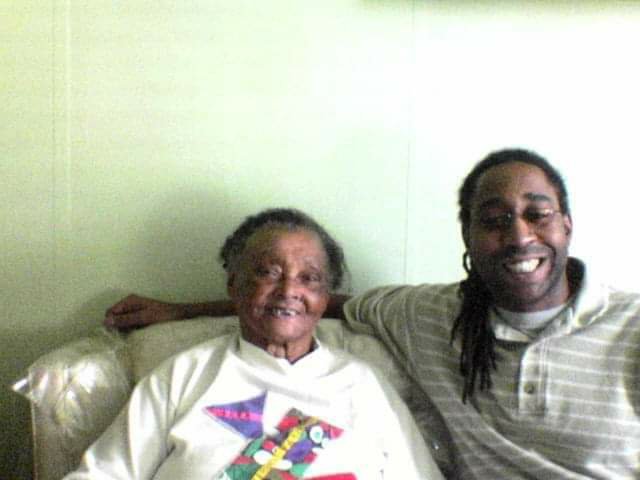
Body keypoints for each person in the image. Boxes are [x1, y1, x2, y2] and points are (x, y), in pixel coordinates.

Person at [105, 149, 640, 479]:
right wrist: (181, 310)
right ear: (468, 237)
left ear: (566, 224)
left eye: (537, 214)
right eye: (495, 220)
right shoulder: (432, 315)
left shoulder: (631, 329)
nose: (520, 235)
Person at [68, 208, 444, 479]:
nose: (289, 290)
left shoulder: (362, 384)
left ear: (326, 297)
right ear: (234, 285)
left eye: (309, 278)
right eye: (268, 272)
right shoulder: (184, 375)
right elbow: (102, 473)